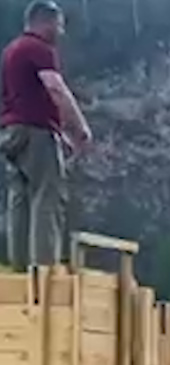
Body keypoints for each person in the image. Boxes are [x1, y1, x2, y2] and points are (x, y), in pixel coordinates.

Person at [0, 0, 89, 269]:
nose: (61, 32)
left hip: (11, 132)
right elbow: (56, 89)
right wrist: (79, 128)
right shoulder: (39, 49)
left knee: (19, 198)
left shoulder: (10, 51)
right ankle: (44, 270)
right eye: (58, 25)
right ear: (45, 22)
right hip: (36, 131)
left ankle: (19, 266)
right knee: (47, 196)